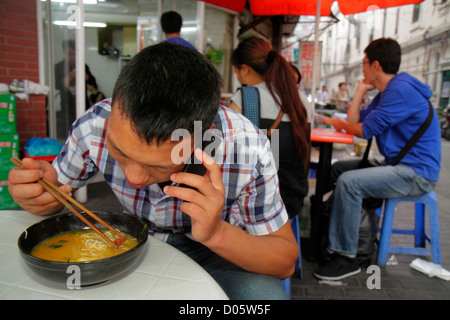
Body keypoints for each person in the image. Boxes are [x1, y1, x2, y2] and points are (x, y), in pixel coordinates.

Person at [8, 42, 298, 300]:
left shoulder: (247, 149)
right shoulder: (95, 125)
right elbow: (57, 194)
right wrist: (39, 194)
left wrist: (215, 232)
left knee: (264, 296)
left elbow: (284, 260)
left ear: (203, 134)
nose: (133, 178)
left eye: (158, 166)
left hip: (215, 254)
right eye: (119, 151)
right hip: (131, 243)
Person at [315, 38, 441, 280]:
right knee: (338, 169)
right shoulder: (388, 92)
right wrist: (360, 90)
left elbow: (363, 130)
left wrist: (340, 123)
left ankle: (346, 256)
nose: (361, 68)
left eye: (363, 63)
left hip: (416, 174)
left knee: (349, 183)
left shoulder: (400, 90)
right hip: (397, 166)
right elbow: (356, 122)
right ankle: (326, 233)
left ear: (375, 65)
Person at [229, 36, 310, 220]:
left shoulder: (245, 98)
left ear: (245, 69)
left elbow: (228, 157)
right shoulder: (301, 100)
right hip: (292, 202)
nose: (239, 78)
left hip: (257, 208)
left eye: (236, 72)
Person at [54, 39, 97, 140]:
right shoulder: (59, 67)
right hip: (66, 106)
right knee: (69, 134)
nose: (73, 57)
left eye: (75, 54)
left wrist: (85, 77)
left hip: (83, 105)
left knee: (85, 132)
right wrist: (70, 76)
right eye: (70, 54)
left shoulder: (83, 66)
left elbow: (93, 83)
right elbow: (57, 86)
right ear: (64, 53)